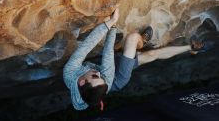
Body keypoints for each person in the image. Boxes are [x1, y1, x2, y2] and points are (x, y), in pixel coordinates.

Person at [63, 8, 191, 110]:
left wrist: (109, 24)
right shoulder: (105, 80)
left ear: (81, 82)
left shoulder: (70, 72)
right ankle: (145, 42)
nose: (98, 73)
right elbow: (108, 55)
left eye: (95, 77)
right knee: (136, 41)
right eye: (99, 77)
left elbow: (86, 46)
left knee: (147, 57)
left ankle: (137, 49)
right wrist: (113, 25)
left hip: (108, 69)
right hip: (117, 78)